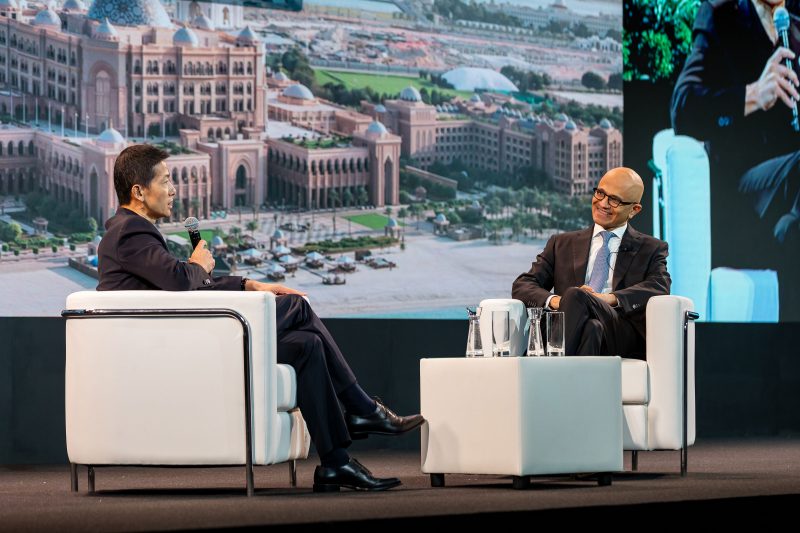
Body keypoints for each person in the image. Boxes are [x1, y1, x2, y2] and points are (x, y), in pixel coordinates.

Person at [97, 144, 424, 492]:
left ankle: (336, 463)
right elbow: (180, 281)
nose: (174, 189)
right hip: (176, 349)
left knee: (307, 345)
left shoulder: (131, 232)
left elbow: (180, 284)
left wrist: (250, 284)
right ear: (139, 192)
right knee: (298, 307)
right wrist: (197, 264)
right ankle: (362, 408)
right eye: (165, 181)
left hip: (182, 340)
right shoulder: (130, 233)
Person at [672, 0, 800, 318]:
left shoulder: (793, 21)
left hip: (791, 196)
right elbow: (682, 108)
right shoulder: (721, 15)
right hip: (743, 193)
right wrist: (753, 95)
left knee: (792, 228)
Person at [511, 167, 671, 359]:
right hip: (577, 328)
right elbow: (523, 285)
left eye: (614, 200)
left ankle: (546, 371)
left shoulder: (651, 248)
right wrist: (560, 302)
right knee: (590, 327)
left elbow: (659, 286)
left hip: (619, 331)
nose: (603, 203)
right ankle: (573, 384)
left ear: (634, 210)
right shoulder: (561, 243)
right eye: (600, 193)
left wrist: (608, 298)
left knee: (577, 296)